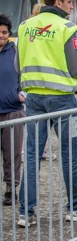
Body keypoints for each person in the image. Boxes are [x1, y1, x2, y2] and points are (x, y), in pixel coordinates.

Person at [15, 0, 77, 227]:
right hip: (63, 100)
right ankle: (75, 209)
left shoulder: (25, 26)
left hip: (33, 97)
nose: (72, 7)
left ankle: (26, 213)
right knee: (71, 155)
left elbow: (18, 65)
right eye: (69, 2)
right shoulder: (66, 28)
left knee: (33, 156)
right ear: (58, 3)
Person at [0, 14, 24, 206]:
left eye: (4, 32)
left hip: (13, 110)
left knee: (12, 152)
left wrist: (23, 93)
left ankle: (11, 188)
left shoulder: (17, 51)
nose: (1, 35)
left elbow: (25, 75)